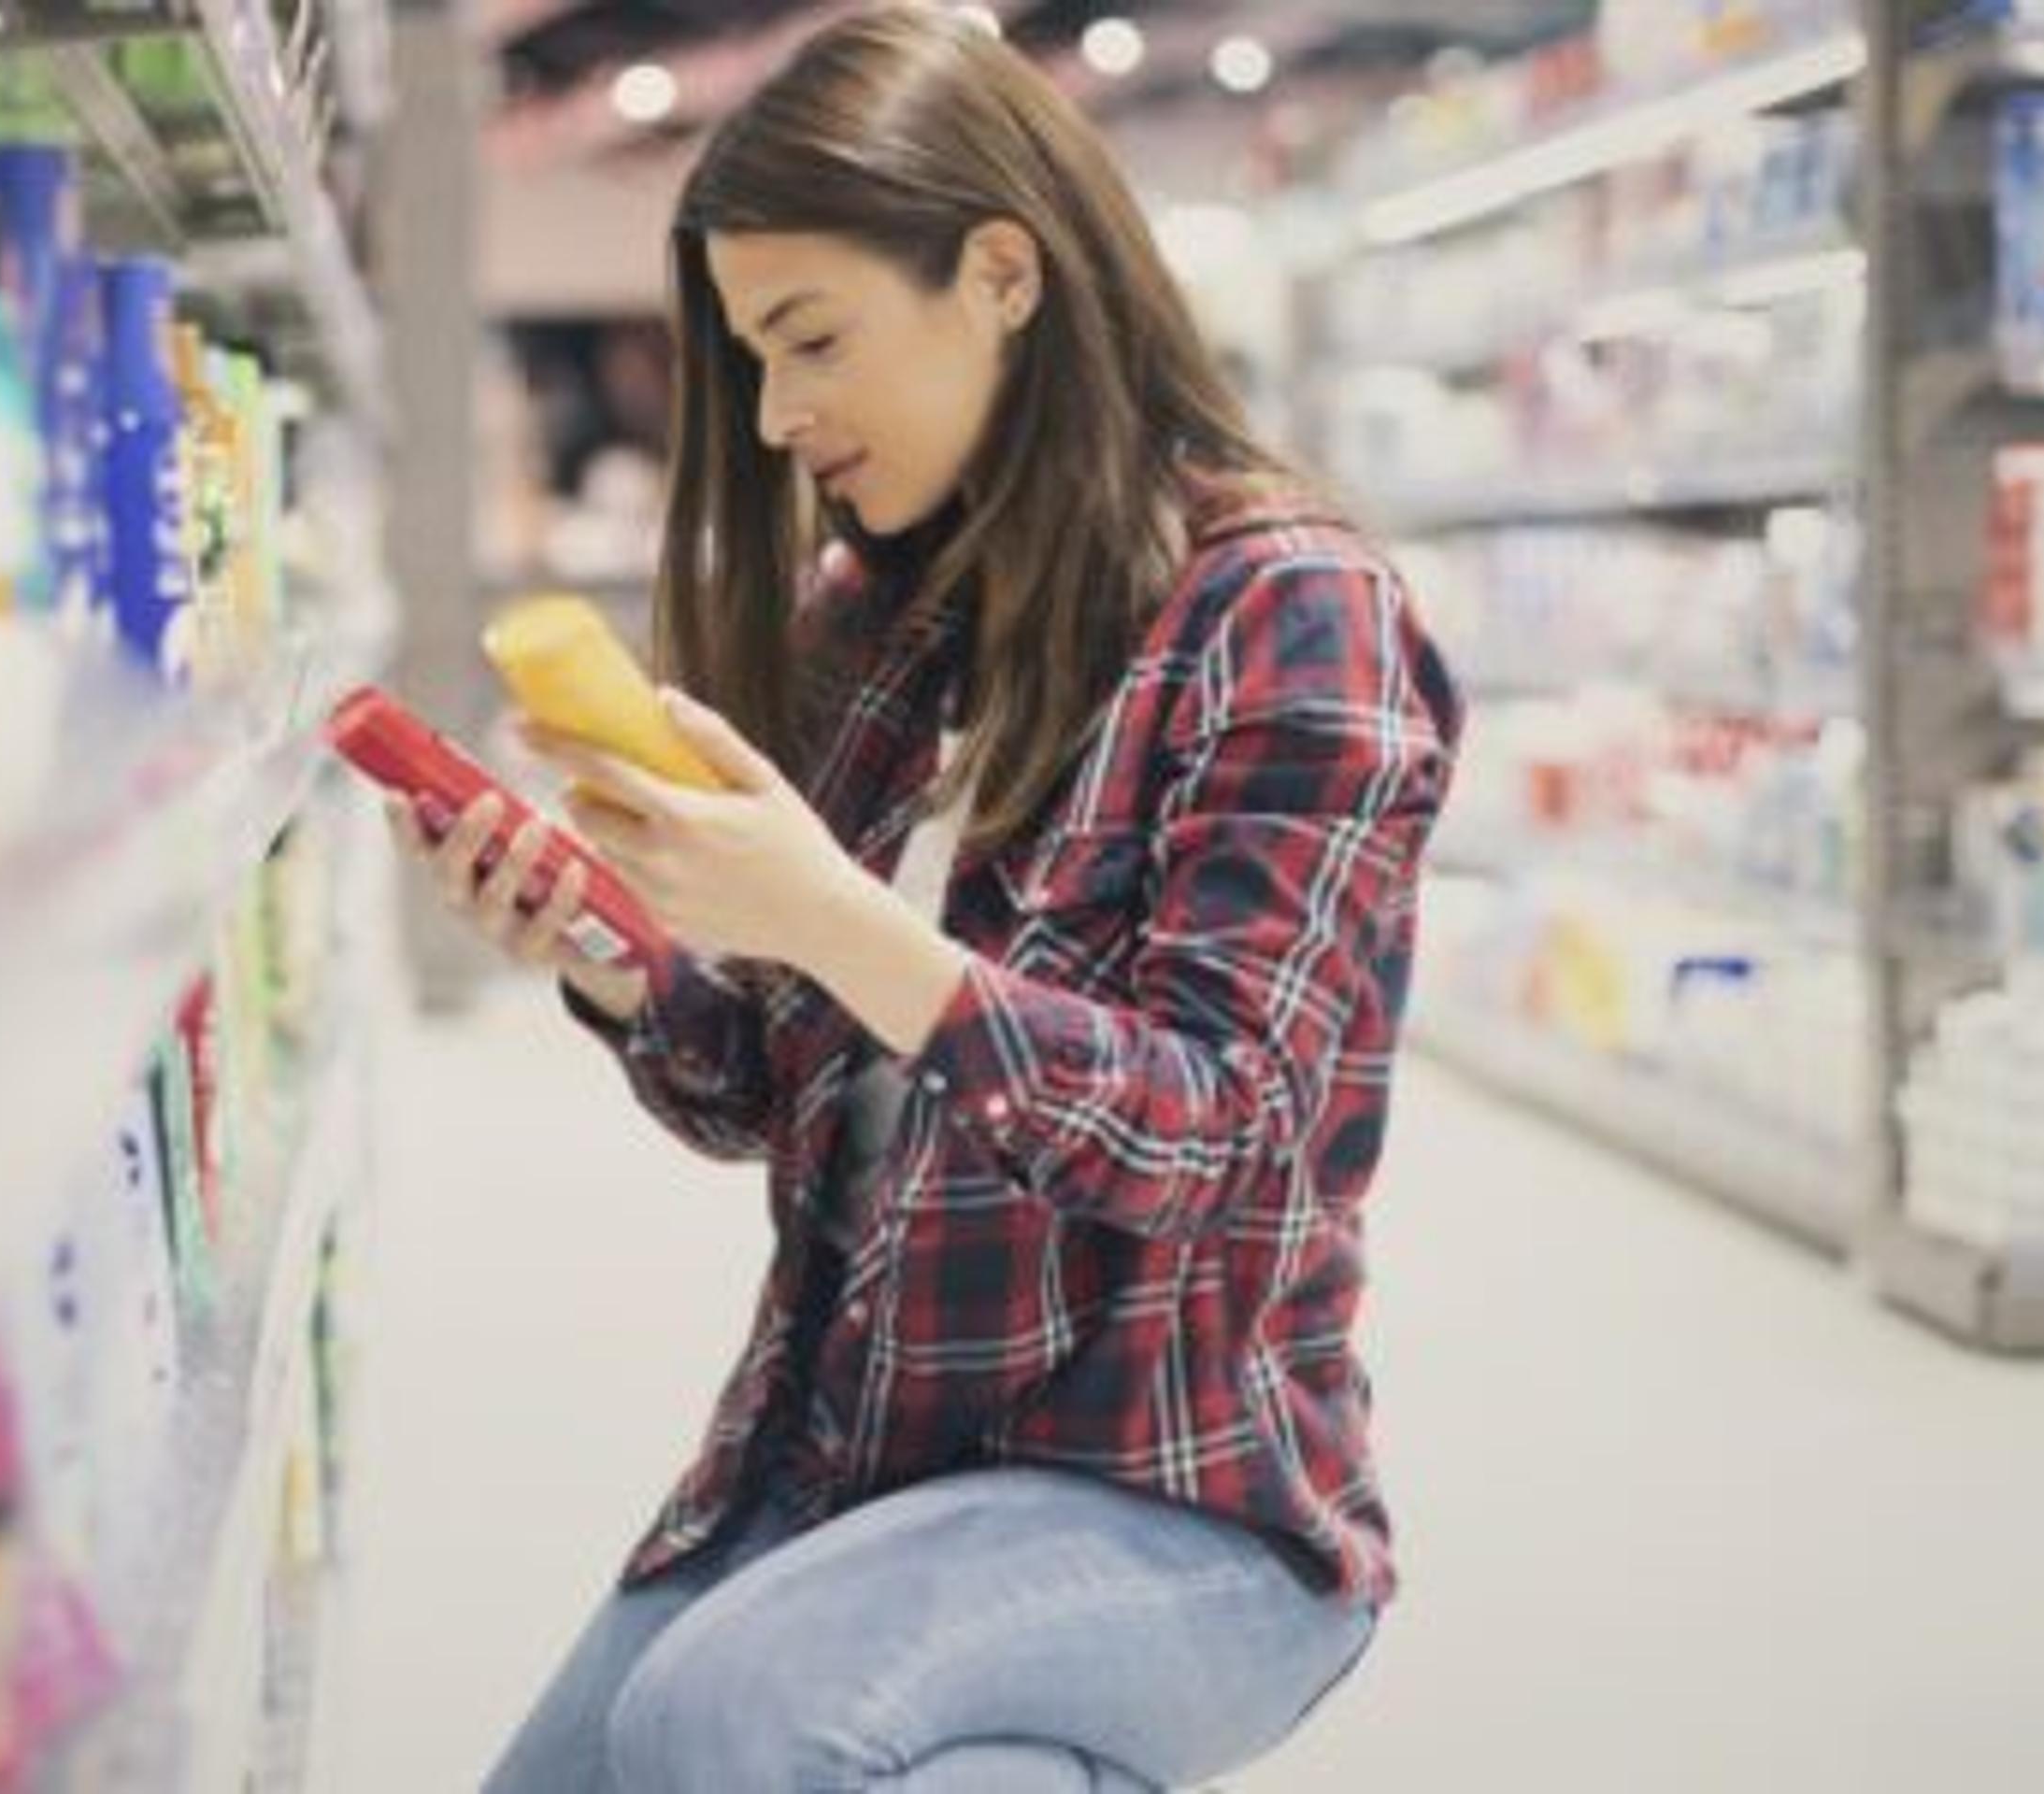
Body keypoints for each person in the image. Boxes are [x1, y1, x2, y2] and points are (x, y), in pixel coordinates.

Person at [388, 7, 1461, 1787]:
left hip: (1171, 1497)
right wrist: (618, 957)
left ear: (1001, 275)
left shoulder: (1290, 618)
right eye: (750, 358)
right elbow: (765, 1096)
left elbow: (1221, 1141)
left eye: (814, 341)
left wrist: (832, 917)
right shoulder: (880, 623)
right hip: (848, 1460)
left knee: (729, 1723)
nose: (780, 415)